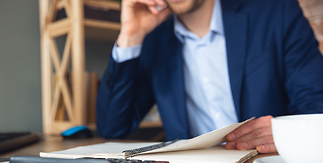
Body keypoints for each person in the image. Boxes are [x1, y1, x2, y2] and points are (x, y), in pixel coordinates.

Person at [96, 0, 323, 154]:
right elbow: (112, 128)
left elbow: (316, 104)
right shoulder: (154, 40)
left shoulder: (276, 12)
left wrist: (286, 133)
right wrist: (130, 35)